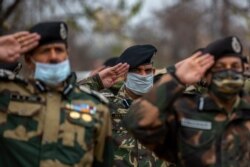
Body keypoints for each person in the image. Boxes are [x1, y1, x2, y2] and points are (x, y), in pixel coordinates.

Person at [123, 36, 250, 167]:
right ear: (206, 74)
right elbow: (136, 123)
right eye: (221, 67)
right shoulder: (184, 111)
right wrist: (176, 79)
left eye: (235, 66)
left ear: (244, 70)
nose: (228, 72)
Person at [0, 21, 113, 167]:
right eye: (45, 51)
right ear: (29, 60)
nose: (54, 57)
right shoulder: (6, 93)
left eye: (59, 50)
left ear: (67, 54)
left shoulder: (97, 106)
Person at [108, 45, 169, 167]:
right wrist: (97, 81)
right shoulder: (107, 103)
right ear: (125, 74)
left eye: (147, 71)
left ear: (153, 72)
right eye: (136, 71)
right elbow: (74, 95)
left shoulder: (166, 103)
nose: (143, 76)